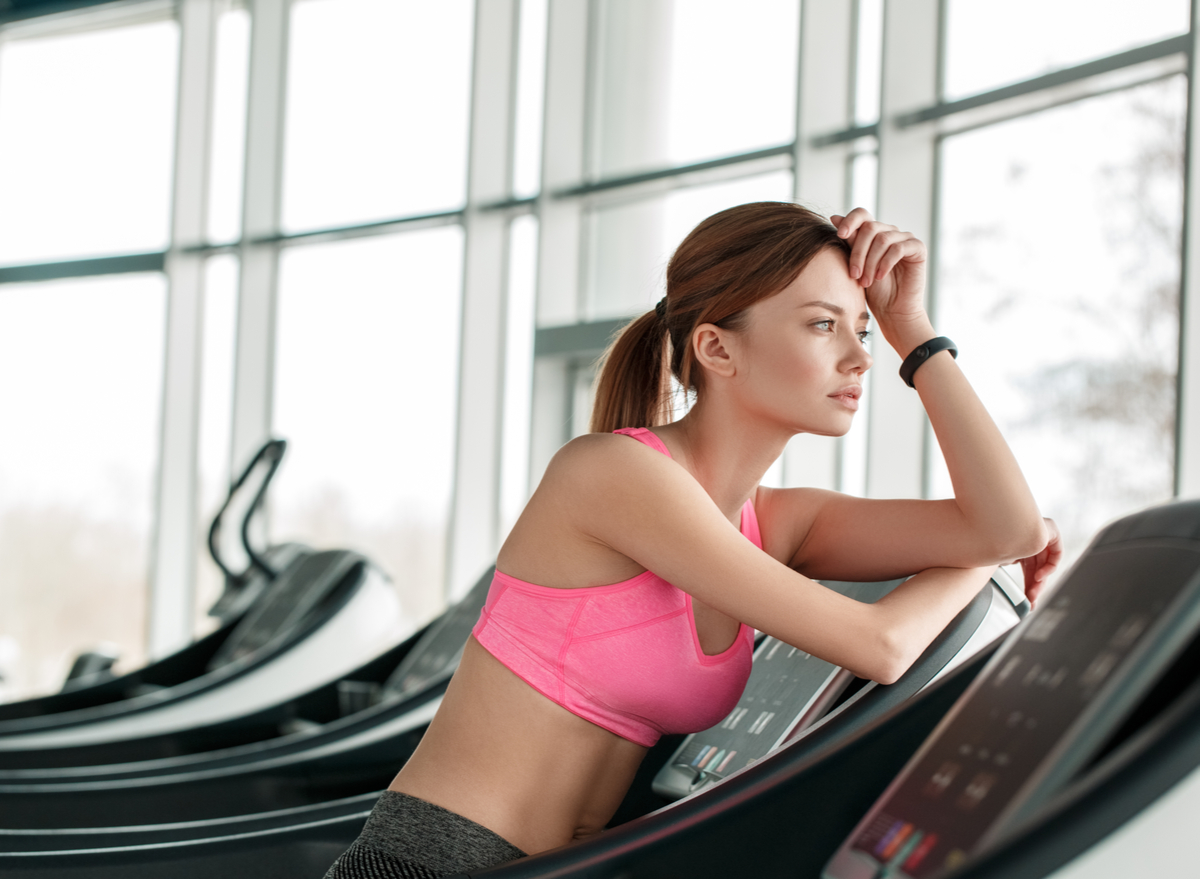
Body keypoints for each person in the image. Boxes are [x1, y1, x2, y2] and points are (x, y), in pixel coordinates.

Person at [324, 202, 1061, 879]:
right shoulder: (609, 472)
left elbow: (1007, 525)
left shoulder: (773, 522)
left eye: (862, 328)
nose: (863, 357)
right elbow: (884, 642)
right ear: (716, 347)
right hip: (432, 864)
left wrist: (918, 333)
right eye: (821, 324)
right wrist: (990, 558)